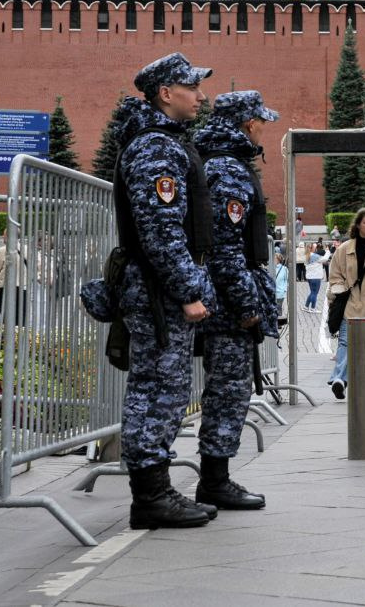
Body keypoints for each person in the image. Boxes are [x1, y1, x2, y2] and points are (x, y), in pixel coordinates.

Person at [115, 52, 218, 529]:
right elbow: (160, 230)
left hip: (161, 289)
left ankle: (155, 493)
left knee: (165, 390)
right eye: (191, 87)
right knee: (157, 392)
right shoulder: (155, 146)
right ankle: (151, 498)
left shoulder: (163, 141)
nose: (201, 96)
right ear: (164, 93)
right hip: (159, 292)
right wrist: (187, 290)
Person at [193, 90, 281, 511]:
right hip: (228, 305)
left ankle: (216, 477)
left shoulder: (221, 162)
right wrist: (248, 307)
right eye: (260, 120)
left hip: (222, 297)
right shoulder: (228, 170)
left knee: (226, 389)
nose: (263, 127)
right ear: (247, 124)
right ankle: (215, 480)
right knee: (228, 391)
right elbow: (227, 249)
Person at [326, 208, 365, 400]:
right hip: (350, 304)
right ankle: (339, 379)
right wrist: (340, 290)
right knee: (345, 342)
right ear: (358, 225)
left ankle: (356, 381)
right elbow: (334, 276)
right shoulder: (344, 249)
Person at [303, 241, 328, 309]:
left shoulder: (307, 255)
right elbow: (325, 258)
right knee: (314, 293)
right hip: (316, 277)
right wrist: (327, 251)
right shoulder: (314, 256)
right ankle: (313, 308)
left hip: (309, 277)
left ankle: (306, 306)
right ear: (312, 249)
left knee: (312, 292)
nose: (316, 248)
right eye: (315, 247)